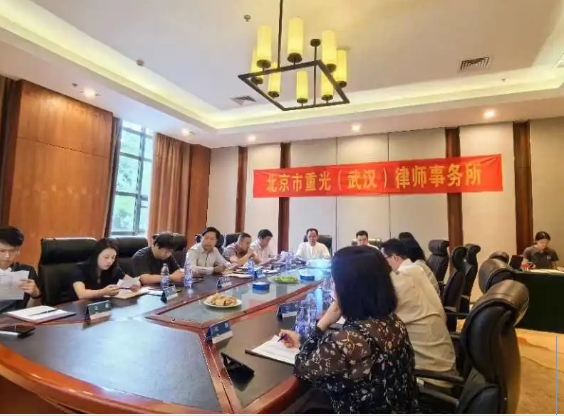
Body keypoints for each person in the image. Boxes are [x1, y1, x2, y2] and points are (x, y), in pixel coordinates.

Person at [280, 246, 419, 413]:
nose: (333, 288)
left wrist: (322, 323)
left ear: (349, 289)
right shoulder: (393, 321)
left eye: (335, 282)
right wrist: (303, 341)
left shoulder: (349, 341)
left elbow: (303, 369)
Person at [380, 238, 456, 389]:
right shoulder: (416, 270)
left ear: (394, 257)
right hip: (444, 367)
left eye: (383, 260)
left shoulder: (401, 280)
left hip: (430, 380)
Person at [70, 238, 140, 300]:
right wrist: (103, 292)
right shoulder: (80, 269)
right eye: (106, 257)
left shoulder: (113, 268)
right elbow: (81, 294)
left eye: (113, 257)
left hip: (102, 305)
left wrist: (135, 284)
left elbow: (132, 281)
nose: (110, 261)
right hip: (78, 307)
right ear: (96, 255)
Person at [0, 226, 42, 313]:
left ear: (18, 251)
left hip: (15, 318)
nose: (7, 256)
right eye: (2, 251)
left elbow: (41, 305)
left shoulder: (28, 271)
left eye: (12, 251)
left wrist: (36, 293)